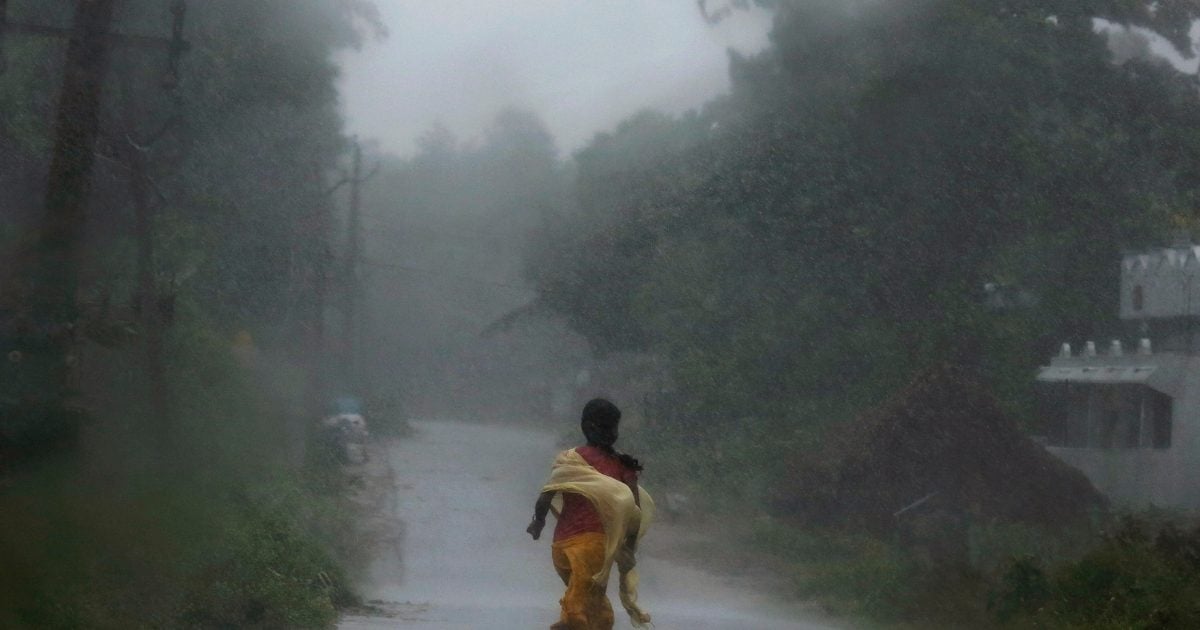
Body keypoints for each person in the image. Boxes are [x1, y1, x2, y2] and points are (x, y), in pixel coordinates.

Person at [526, 398, 654, 630]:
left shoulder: (570, 459)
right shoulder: (622, 466)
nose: (614, 432)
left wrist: (539, 521)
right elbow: (633, 511)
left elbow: (547, 493)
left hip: (561, 546)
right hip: (594, 547)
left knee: (590, 601)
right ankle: (570, 624)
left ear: (586, 427)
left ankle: (589, 624)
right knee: (583, 602)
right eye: (612, 427)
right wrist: (629, 545)